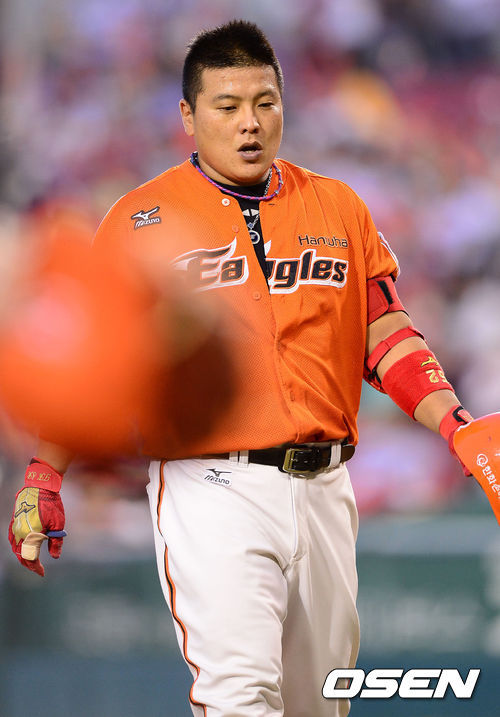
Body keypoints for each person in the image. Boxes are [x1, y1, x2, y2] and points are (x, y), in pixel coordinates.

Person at [8, 19, 480, 717]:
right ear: (188, 115)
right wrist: (45, 472)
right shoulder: (142, 218)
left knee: (319, 704)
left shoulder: (338, 205)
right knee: (239, 695)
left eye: (265, 102)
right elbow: (92, 361)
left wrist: (455, 422)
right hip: (210, 482)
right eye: (227, 106)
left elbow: (383, 332)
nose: (249, 123)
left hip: (326, 485)